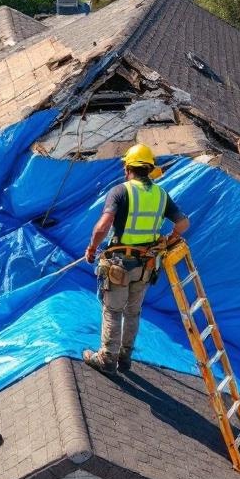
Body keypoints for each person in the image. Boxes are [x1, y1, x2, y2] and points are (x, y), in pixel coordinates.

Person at [82, 144, 190, 374]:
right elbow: (183, 224)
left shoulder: (121, 191)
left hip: (119, 264)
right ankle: (125, 358)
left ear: (127, 168)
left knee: (113, 311)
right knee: (133, 312)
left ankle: (107, 359)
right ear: (150, 168)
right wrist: (171, 238)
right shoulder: (162, 195)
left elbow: (103, 226)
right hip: (145, 266)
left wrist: (91, 249)